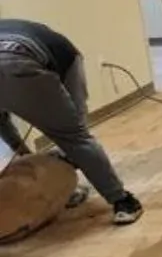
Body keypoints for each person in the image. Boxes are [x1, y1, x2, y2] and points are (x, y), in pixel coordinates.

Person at [0, 19, 144, 225]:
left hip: (31, 62)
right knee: (75, 137)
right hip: (28, 61)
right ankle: (122, 200)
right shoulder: (36, 35)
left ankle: (59, 176)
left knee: (71, 135)